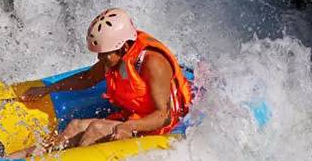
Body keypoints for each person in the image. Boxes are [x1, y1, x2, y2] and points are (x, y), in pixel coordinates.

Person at [21, 8, 193, 150]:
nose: (99, 59)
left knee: (96, 129)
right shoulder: (115, 56)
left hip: (164, 126)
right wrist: (48, 89)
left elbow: (165, 116)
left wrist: (129, 127)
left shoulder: (153, 63)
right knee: (74, 126)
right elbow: (88, 78)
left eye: (104, 54)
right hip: (132, 117)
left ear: (124, 46)